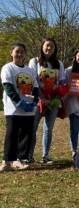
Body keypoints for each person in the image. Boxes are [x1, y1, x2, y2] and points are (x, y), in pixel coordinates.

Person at [0, 43, 39, 171]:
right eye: (17, 51)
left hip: (28, 110)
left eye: (22, 52)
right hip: (13, 108)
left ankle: (20, 160)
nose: (19, 54)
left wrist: (34, 102)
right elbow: (8, 87)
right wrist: (19, 103)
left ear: (25, 54)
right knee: (11, 133)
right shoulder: (8, 68)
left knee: (25, 134)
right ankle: (7, 161)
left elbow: (36, 88)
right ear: (11, 53)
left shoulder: (30, 71)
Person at [28, 37, 66, 164]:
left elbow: (62, 81)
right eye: (47, 45)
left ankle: (45, 155)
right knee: (32, 128)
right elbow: (32, 81)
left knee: (48, 128)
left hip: (54, 100)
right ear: (42, 46)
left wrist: (59, 88)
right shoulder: (34, 61)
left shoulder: (59, 64)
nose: (49, 48)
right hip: (38, 99)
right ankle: (29, 155)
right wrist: (41, 98)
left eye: (52, 46)